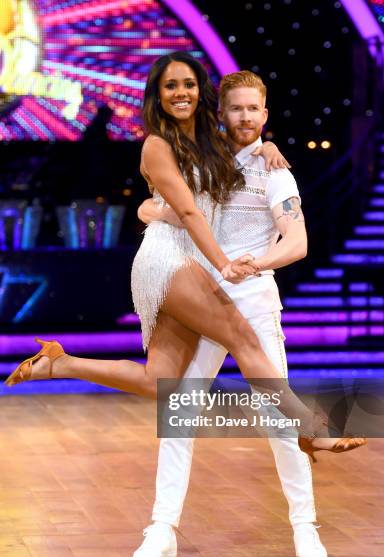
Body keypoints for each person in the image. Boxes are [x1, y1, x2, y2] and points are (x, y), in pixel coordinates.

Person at [6, 54, 365, 460]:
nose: (181, 92)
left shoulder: (206, 139)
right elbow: (188, 212)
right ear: (157, 96)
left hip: (184, 258)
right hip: (170, 260)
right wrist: (223, 262)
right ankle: (309, 429)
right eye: (171, 86)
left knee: (159, 381)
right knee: (242, 337)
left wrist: (269, 146)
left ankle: (60, 364)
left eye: (189, 84)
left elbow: (235, 147)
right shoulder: (158, 144)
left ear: (202, 92)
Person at [132, 70, 328, 557]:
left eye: (252, 110)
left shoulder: (276, 170)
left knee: (277, 415)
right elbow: (160, 207)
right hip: (200, 295)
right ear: (221, 114)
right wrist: (149, 212)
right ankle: (162, 526)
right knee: (178, 412)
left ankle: (305, 525)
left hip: (254, 299)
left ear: (264, 115)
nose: (243, 117)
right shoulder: (204, 158)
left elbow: (299, 243)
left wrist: (253, 265)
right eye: (234, 108)